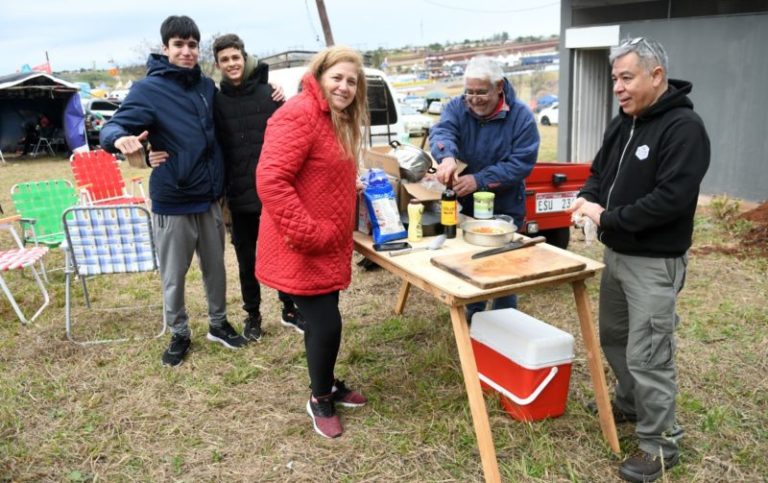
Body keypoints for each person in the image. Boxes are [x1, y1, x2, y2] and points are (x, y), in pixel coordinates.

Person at [568, 37, 710, 482]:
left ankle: (660, 443)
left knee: (649, 352)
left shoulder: (684, 129)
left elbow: (670, 200)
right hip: (618, 254)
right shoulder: (624, 122)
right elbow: (598, 172)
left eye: (626, 78)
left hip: (654, 261)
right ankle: (629, 402)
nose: (618, 88)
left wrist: (607, 216)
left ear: (656, 76)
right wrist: (586, 199)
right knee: (615, 336)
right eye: (615, 79)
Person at [101, 15, 247, 367]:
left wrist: (270, 87)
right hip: (173, 199)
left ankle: (218, 323)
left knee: (216, 268)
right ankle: (179, 332)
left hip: (210, 198)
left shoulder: (205, 87)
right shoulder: (147, 90)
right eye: (179, 45)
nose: (186, 51)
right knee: (173, 276)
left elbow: (236, 103)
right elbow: (116, 124)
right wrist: (119, 139)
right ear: (165, 49)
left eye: (192, 45)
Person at [256, 46, 368, 439]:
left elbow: (317, 170)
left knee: (327, 319)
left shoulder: (334, 117)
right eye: (337, 77)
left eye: (352, 81)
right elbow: (271, 179)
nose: (345, 86)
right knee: (326, 323)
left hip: (326, 244)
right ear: (319, 75)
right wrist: (307, 233)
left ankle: (328, 382)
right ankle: (319, 397)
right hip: (301, 244)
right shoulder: (298, 113)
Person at [429, 55, 540, 321]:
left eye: (481, 92)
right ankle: (473, 317)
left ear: (499, 86)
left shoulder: (521, 116)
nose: (474, 98)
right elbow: (443, 132)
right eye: (469, 92)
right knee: (470, 263)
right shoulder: (457, 107)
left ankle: (504, 323)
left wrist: (479, 180)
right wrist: (446, 157)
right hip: (466, 206)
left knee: (504, 270)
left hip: (505, 206)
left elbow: (521, 163)